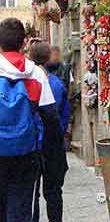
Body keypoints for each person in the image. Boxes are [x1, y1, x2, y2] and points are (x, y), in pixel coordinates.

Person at [0, 18, 64, 222]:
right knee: (20, 208)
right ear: (23, 43)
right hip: (25, 152)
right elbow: (51, 118)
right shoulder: (36, 73)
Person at [30, 42, 70, 222]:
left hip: (33, 144)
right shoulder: (57, 84)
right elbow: (64, 115)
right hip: (53, 144)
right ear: (47, 59)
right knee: (54, 192)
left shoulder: (27, 82)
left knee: (33, 194)